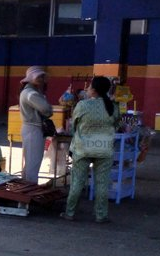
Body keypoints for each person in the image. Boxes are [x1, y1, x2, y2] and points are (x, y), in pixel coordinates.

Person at [61, 76, 121, 223]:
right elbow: (117, 125)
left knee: (77, 182)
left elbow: (74, 125)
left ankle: (69, 213)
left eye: (89, 87)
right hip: (105, 149)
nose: (87, 89)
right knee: (101, 183)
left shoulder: (82, 105)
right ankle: (101, 215)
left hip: (83, 148)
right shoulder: (113, 106)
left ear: (94, 90)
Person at [18, 66, 52, 183]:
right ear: (31, 78)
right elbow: (46, 109)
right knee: (33, 163)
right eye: (39, 77)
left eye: (42, 76)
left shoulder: (28, 92)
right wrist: (49, 111)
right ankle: (30, 191)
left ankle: (25, 189)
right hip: (34, 129)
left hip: (30, 128)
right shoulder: (31, 94)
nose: (41, 79)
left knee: (30, 162)